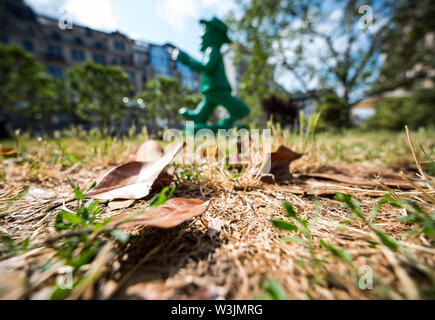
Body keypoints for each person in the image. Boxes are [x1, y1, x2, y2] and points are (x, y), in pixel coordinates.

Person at [173, 17, 250, 131]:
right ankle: (199, 116)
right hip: (211, 88)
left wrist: (187, 60)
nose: (201, 36)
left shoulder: (212, 50)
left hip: (217, 87)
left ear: (213, 35)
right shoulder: (210, 51)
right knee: (208, 103)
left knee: (233, 106)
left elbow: (207, 67)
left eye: (204, 32)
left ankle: (236, 114)